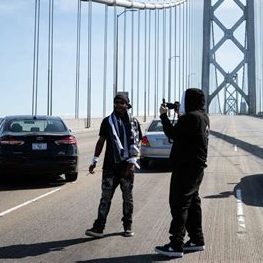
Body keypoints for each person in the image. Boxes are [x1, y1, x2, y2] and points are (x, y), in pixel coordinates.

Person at [155, 88, 210, 258]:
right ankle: (196, 240)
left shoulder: (190, 118)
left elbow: (172, 133)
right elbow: (187, 134)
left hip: (185, 168)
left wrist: (163, 115)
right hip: (196, 168)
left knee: (179, 203)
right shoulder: (202, 117)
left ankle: (175, 245)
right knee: (193, 203)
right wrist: (181, 114)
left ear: (190, 100)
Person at [85, 93, 142, 238]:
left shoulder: (134, 122)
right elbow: (101, 141)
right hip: (110, 166)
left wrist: (132, 162)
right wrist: (94, 160)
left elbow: (136, 143)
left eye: (122, 102)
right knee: (105, 198)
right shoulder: (107, 122)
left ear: (127, 105)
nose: (118, 105)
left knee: (127, 198)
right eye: (116, 102)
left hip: (127, 167)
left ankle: (127, 226)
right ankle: (99, 227)